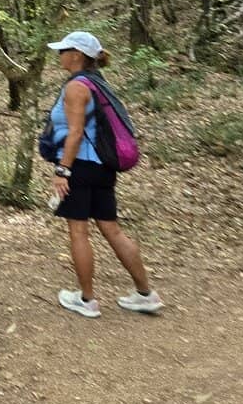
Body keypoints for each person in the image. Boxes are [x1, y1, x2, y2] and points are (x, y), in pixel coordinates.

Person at [45, 30, 163, 318]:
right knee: (112, 230)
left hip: (80, 167)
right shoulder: (97, 83)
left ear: (76, 55)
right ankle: (145, 295)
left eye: (63, 51)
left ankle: (87, 300)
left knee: (78, 231)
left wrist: (63, 170)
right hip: (102, 168)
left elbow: (75, 133)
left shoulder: (77, 87)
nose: (59, 56)